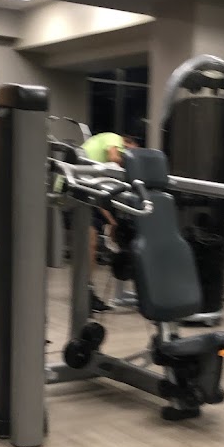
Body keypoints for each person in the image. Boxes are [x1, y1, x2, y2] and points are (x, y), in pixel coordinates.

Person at [81, 131, 138, 312]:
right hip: (80, 187)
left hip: (87, 188)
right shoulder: (114, 139)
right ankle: (85, 292)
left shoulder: (105, 167)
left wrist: (112, 222)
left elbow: (102, 200)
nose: (128, 157)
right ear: (126, 142)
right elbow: (114, 157)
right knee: (90, 245)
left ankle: (86, 290)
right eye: (129, 152)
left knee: (93, 243)